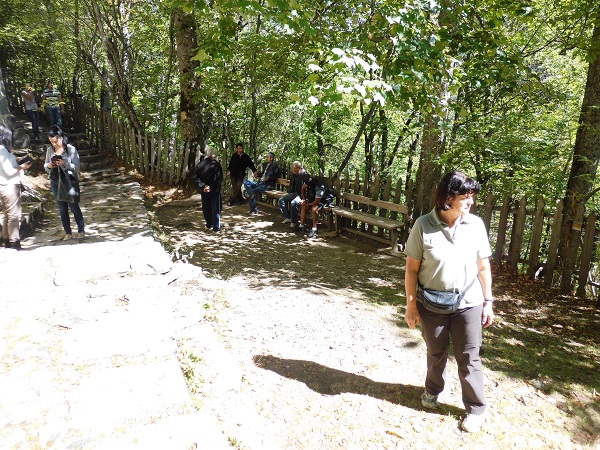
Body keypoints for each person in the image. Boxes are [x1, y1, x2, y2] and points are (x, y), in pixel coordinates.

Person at [403, 171, 495, 433]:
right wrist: (411, 305)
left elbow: (483, 266)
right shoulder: (423, 225)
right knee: (436, 352)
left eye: (472, 196)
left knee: (469, 356)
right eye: (465, 197)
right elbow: (411, 269)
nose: (471, 202)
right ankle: (432, 391)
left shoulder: (475, 225)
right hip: (432, 304)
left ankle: (475, 409)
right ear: (448, 197)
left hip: (469, 302)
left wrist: (488, 301)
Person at [44, 125, 85, 240]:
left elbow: (77, 167)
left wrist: (65, 163)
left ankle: (81, 230)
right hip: (55, 181)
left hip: (69, 182)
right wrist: (49, 165)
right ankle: (68, 232)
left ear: (61, 138)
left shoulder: (70, 149)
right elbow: (46, 166)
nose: (54, 144)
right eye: (51, 142)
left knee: (74, 206)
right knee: (62, 209)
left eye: (55, 141)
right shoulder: (50, 150)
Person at [0, 125, 33, 250]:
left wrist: (17, 160)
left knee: (7, 214)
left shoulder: (3, 150)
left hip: (2, 185)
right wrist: (22, 167)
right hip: (9, 185)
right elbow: (9, 171)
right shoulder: (2, 150)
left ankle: (6, 240)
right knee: (14, 215)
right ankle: (15, 242)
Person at [194, 147, 223, 232]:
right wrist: (210, 187)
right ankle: (216, 227)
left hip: (204, 190)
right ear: (214, 155)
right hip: (214, 190)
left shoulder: (200, 164)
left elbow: (196, 178)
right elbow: (219, 179)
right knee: (215, 208)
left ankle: (209, 224)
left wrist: (203, 186)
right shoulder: (216, 164)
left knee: (206, 207)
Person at [279, 160, 306, 227]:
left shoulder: (304, 175)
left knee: (293, 203)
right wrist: (289, 193)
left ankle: (294, 221)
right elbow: (291, 185)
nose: (293, 169)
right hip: (294, 193)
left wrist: (304, 198)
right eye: (293, 168)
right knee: (281, 200)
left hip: (301, 194)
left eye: (295, 168)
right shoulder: (293, 174)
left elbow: (306, 188)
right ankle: (288, 217)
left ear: (299, 168)